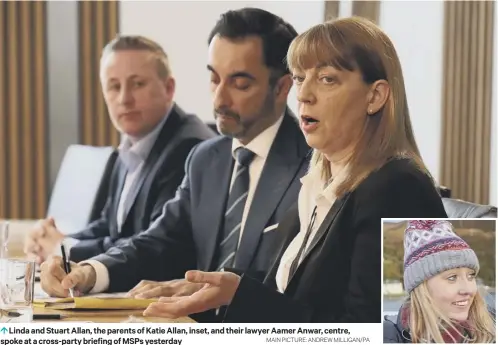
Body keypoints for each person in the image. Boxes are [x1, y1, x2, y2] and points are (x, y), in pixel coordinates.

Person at [135, 16, 450, 323]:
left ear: (375, 96)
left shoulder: (398, 187)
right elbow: (298, 290)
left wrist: (242, 294)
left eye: (327, 79)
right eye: (300, 78)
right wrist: (221, 286)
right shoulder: (321, 177)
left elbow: (367, 331)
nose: (303, 95)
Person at [39, 7, 310, 318]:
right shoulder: (207, 159)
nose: (219, 99)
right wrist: (90, 272)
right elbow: (158, 242)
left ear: (282, 87)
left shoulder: (314, 164)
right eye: (213, 78)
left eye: (240, 84)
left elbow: (294, 288)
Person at [24, 35, 215, 264]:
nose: (125, 99)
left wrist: (64, 249)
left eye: (137, 84)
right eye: (114, 86)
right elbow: (110, 226)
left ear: (169, 88)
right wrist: (53, 241)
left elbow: (153, 246)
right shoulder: (131, 143)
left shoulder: (188, 148)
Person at [383, 220, 495, 343]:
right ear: (421, 286)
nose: (469, 290)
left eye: (471, 276)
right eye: (452, 277)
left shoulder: (491, 330)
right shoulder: (388, 337)